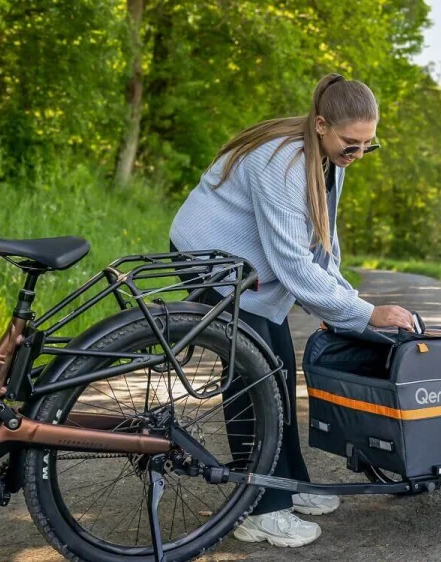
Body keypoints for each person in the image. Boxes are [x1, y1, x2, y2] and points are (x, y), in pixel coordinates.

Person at [168, 73, 415, 547]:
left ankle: (288, 484)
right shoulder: (280, 162)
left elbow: (323, 246)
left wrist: (339, 301)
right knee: (252, 376)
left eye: (368, 145)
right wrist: (364, 312)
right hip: (209, 261)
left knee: (279, 371)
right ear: (321, 124)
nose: (358, 155)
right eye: (351, 144)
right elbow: (292, 261)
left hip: (250, 272)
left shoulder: (328, 158)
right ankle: (258, 509)